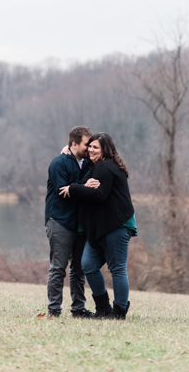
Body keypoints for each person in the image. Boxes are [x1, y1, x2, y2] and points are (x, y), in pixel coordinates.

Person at [60, 132, 136, 320]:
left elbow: (99, 195)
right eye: (90, 146)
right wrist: (69, 151)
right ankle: (103, 308)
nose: (91, 150)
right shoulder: (96, 167)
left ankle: (119, 312)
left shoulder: (105, 167)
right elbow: (85, 181)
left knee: (117, 268)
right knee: (88, 264)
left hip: (116, 225)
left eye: (96, 147)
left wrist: (74, 188)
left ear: (105, 150)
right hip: (100, 228)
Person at [44, 125, 94, 318]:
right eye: (86, 144)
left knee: (78, 269)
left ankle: (78, 309)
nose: (89, 148)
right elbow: (62, 191)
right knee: (58, 267)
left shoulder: (87, 164)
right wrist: (83, 186)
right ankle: (54, 310)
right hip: (59, 221)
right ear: (74, 144)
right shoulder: (59, 163)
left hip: (79, 224)